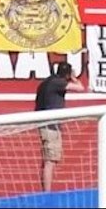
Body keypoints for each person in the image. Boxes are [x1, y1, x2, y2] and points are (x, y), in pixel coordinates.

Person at [35, 62, 84, 193]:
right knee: (50, 160)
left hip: (43, 123)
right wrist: (74, 78)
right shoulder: (58, 83)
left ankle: (46, 189)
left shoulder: (46, 82)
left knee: (47, 160)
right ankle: (47, 193)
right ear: (67, 74)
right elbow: (80, 88)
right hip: (50, 125)